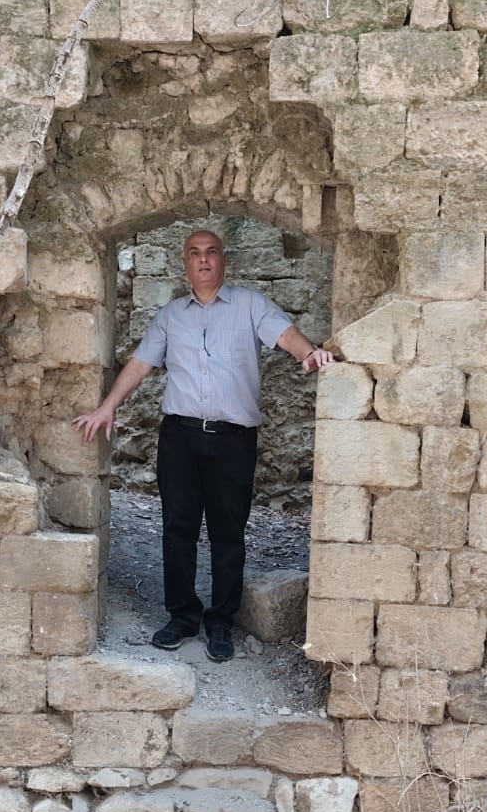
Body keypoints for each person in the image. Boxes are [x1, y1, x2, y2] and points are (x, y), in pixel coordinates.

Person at [74, 228, 334, 663]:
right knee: (178, 529)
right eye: (195, 253)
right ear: (186, 263)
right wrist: (107, 408)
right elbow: (140, 364)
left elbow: (285, 334)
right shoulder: (170, 316)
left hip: (234, 440)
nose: (204, 260)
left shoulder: (250, 305)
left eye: (211, 252)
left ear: (223, 259)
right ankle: (182, 616)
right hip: (180, 437)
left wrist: (309, 353)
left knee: (227, 533)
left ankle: (220, 623)